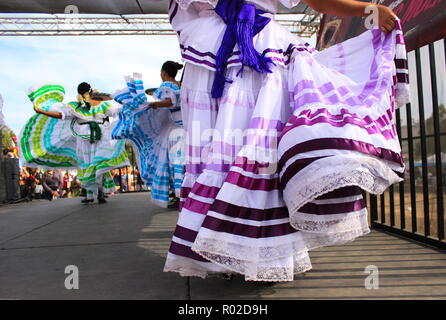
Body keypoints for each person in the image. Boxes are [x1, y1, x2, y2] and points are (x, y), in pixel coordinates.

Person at [162, 0, 410, 281]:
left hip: (226, 52)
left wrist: (367, 10)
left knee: (233, 148)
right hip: (239, 51)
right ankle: (242, 249)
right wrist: (368, 10)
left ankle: (230, 249)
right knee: (258, 147)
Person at [19, 83, 130, 204]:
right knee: (92, 165)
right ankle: (94, 195)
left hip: (97, 137)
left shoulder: (99, 104)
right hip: (87, 138)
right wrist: (41, 111)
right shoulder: (80, 106)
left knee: (93, 165)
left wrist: (41, 111)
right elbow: (62, 114)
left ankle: (97, 194)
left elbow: (62, 115)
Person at [113, 63, 186, 208]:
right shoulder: (181, 85)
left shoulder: (167, 85)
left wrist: (156, 104)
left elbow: (170, 101)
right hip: (184, 126)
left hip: (174, 131)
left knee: (169, 163)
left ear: (164, 72)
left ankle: (179, 196)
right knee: (180, 163)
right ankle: (182, 194)